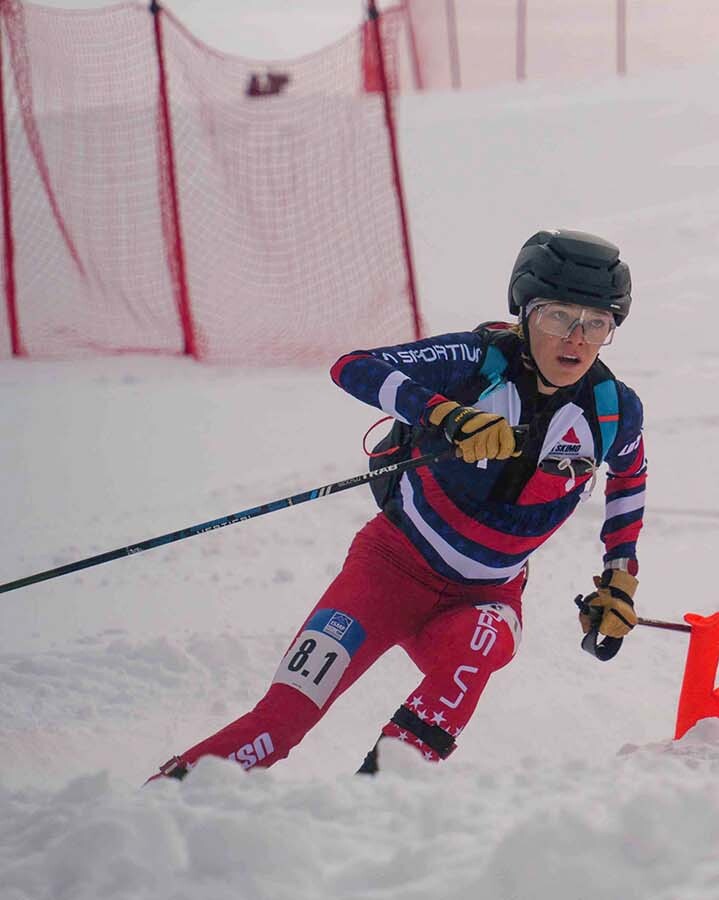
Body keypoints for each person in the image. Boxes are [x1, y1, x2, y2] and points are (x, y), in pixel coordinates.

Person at [152, 230, 646, 778]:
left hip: (485, 597)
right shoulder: (475, 359)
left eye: (596, 323)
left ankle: (381, 798)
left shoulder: (612, 408)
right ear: (526, 313)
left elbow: (631, 477)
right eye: (558, 316)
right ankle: (150, 810)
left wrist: (619, 575)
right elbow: (353, 366)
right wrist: (446, 414)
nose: (575, 339)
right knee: (279, 724)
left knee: (482, 643)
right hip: (387, 573)